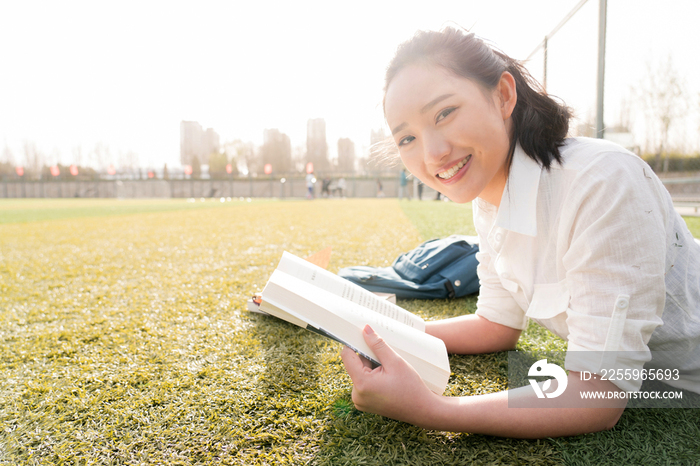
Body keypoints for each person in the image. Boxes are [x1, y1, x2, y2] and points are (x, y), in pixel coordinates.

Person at [340, 27, 700, 438]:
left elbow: (598, 394)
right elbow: (496, 324)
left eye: (444, 113)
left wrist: (433, 409)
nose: (432, 153)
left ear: (504, 95)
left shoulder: (603, 182)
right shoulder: (489, 199)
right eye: (407, 138)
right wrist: (385, 332)